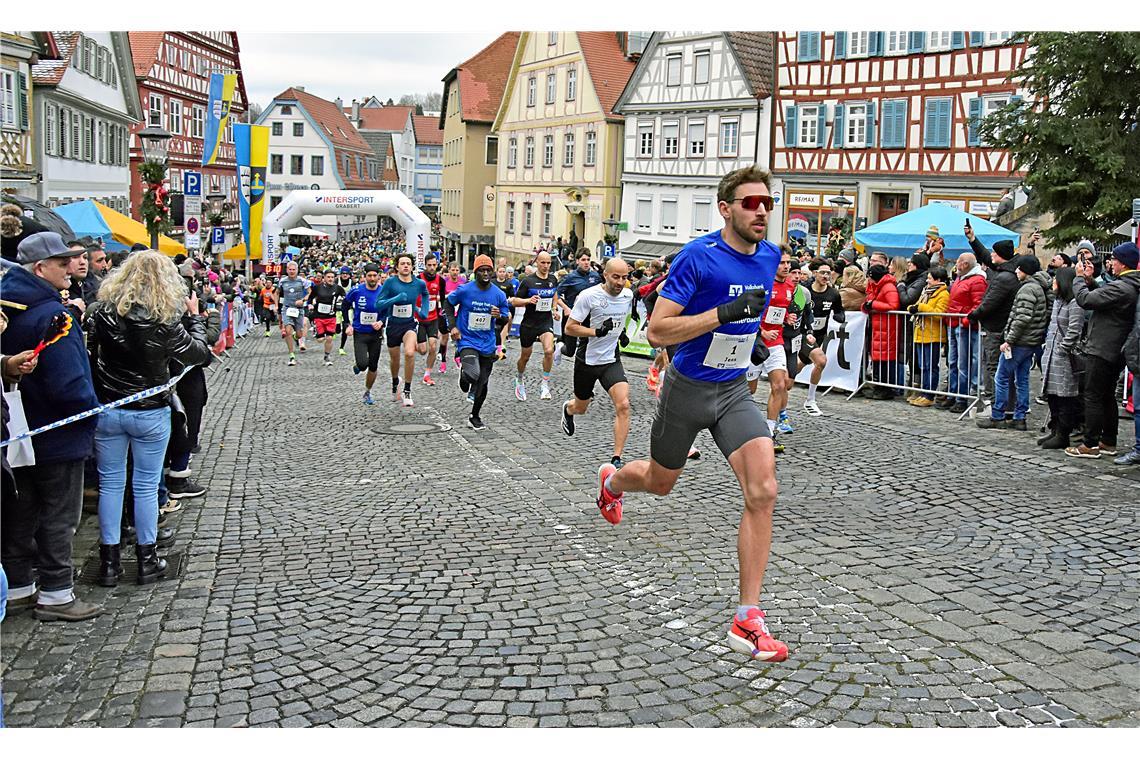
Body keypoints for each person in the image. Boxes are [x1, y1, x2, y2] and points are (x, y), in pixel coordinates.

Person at [598, 166, 788, 662]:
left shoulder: (771, 256)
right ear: (726, 209)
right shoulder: (697, 258)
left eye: (766, 202)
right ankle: (614, 483)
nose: (761, 210)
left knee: (763, 489)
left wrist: (765, 351)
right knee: (661, 484)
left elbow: (757, 320)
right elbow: (658, 332)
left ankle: (748, 618)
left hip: (732, 391)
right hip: (686, 389)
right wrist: (722, 315)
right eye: (750, 203)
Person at [86, 250, 211, 586]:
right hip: (150, 411)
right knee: (144, 486)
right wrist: (196, 318)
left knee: (111, 485)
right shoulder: (165, 322)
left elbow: (89, 355)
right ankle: (147, 557)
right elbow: (201, 355)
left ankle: (110, 561)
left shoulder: (100, 314)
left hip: (109, 409)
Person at [0, 232, 101, 621]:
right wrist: (90, 410)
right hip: (57, 431)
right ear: (40, 268)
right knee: (59, 515)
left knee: (20, 511)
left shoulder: (10, 307)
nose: (71, 270)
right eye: (62, 263)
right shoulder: (53, 315)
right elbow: (70, 383)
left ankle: (19, 587)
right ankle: (57, 594)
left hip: (18, 429)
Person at [1065, 243, 1140, 458]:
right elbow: (1106, 299)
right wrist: (1090, 282)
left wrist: (1079, 279)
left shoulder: (1122, 286)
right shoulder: (1129, 285)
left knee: (1093, 396)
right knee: (1106, 396)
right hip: (1115, 348)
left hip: (1103, 347)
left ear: (1123, 263)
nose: (1110, 263)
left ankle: (1090, 444)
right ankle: (1108, 440)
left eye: (1114, 259)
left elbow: (1086, 300)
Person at [560, 257, 635, 467]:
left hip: (611, 360)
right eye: (616, 277)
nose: (621, 282)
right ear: (605, 275)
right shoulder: (589, 296)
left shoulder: (627, 295)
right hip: (588, 360)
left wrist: (621, 334)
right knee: (581, 407)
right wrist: (596, 332)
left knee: (623, 405)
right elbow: (570, 328)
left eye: (625, 277)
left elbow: (620, 318)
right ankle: (569, 409)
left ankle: (616, 458)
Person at [977, 257, 1050, 431]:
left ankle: (998, 415)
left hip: (1020, 342)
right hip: (1030, 341)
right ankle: (1019, 417)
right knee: (1022, 379)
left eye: (1019, 269)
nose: (1016, 271)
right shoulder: (1037, 287)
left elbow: (1022, 318)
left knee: (1001, 377)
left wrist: (1009, 340)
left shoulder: (1028, 289)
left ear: (1026, 271)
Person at [443, 254, 511, 431]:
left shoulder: (498, 294)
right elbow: (448, 304)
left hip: (487, 342)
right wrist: (452, 327)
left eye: (489, 270)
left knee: (483, 382)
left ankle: (475, 415)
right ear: (476, 272)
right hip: (467, 340)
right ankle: (465, 374)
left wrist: (500, 316)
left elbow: (505, 318)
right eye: (482, 270)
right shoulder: (465, 290)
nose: (486, 273)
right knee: (473, 374)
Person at [966, 229, 1021, 409]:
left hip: (997, 328)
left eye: (994, 253)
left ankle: (996, 404)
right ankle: (1000, 403)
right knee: (996, 366)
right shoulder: (1006, 270)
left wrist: (973, 315)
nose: (991, 255)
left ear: (1001, 256)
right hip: (999, 326)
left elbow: (990, 302)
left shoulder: (1003, 278)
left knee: (993, 366)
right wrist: (973, 239)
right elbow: (984, 255)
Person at [1038, 268, 1085, 449]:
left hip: (1064, 357)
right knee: (1052, 396)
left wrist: (1062, 349)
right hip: (1050, 355)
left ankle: (1063, 433)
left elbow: (1074, 330)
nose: (1053, 283)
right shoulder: (1058, 301)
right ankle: (1055, 430)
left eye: (1056, 280)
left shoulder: (1075, 303)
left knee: (1065, 396)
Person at [377, 253, 430, 407]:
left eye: (408, 263)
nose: (405, 266)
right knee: (395, 359)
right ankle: (395, 381)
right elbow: (378, 304)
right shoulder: (390, 283)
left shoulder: (419, 283)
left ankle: (407, 389)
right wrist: (396, 298)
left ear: (412, 266)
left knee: (409, 353)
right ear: (397, 267)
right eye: (402, 263)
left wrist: (423, 311)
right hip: (393, 325)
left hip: (409, 325)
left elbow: (425, 295)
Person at [511, 251, 562, 401]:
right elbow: (514, 300)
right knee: (525, 357)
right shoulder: (528, 281)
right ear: (537, 263)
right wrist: (528, 301)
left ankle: (544, 384)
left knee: (548, 350)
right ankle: (519, 379)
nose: (546, 266)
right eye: (543, 263)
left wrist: (554, 309)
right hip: (529, 323)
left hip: (545, 322)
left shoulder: (553, 279)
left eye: (548, 263)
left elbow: (554, 294)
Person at [942, 252, 987, 413]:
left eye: (958, 262)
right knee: (952, 361)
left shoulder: (977, 281)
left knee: (963, 362)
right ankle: (952, 394)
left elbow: (978, 304)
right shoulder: (960, 278)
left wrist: (966, 320)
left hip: (964, 325)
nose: (956, 264)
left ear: (965, 264)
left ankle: (961, 396)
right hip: (954, 323)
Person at [802, 257, 844, 415]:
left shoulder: (833, 294)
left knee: (794, 375)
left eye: (829, 273)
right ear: (814, 273)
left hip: (818, 336)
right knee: (821, 361)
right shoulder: (805, 290)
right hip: (803, 335)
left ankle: (809, 399)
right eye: (823, 273)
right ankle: (808, 400)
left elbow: (840, 310)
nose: (826, 276)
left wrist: (840, 316)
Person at [342, 263, 386, 404]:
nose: (372, 278)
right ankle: (358, 365)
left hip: (376, 334)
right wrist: (347, 324)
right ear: (364, 277)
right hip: (360, 333)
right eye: (369, 276)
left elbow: (388, 309)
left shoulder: (384, 291)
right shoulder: (356, 290)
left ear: (378, 277)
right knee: (362, 365)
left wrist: (382, 321)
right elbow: (345, 305)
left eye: (375, 276)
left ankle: (367, 392)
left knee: (373, 366)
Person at [906, 267, 950, 406]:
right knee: (923, 366)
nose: (927, 280)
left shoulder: (943, 295)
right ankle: (923, 392)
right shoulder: (926, 292)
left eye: (930, 278)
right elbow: (916, 305)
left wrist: (921, 308)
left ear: (938, 280)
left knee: (931, 366)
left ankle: (929, 395)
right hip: (921, 333)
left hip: (933, 335)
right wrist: (912, 308)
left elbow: (939, 314)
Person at [862, 253, 900, 399]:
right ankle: (879, 386)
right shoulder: (877, 286)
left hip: (886, 327)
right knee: (877, 358)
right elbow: (870, 300)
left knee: (884, 360)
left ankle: (885, 389)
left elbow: (893, 305)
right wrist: (866, 306)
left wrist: (873, 304)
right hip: (879, 326)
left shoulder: (888, 286)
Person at [556, 250, 602, 360]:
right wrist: (566, 308)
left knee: (585, 346)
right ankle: (559, 346)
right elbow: (555, 295)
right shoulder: (570, 277)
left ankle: (582, 369)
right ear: (577, 261)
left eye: (588, 260)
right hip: (572, 316)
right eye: (583, 260)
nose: (586, 262)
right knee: (570, 351)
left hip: (588, 317)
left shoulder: (595, 276)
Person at [307, 269, 345, 366]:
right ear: (324, 278)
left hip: (331, 317)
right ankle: (317, 332)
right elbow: (310, 298)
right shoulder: (317, 288)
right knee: (320, 340)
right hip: (319, 317)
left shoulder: (338, 288)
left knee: (329, 338)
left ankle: (327, 356)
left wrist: (341, 302)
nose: (330, 279)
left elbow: (345, 297)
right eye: (328, 277)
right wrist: (310, 304)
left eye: (332, 277)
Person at [416, 255, 444, 385]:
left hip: (433, 318)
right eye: (429, 265)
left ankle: (427, 374)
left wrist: (443, 315)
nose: (432, 268)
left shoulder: (440, 280)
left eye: (434, 265)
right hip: (420, 319)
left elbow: (443, 300)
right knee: (423, 350)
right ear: (425, 265)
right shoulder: (418, 279)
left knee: (433, 346)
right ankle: (413, 344)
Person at [277, 261, 311, 365]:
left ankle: (296, 338)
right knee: (287, 330)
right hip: (287, 308)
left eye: (293, 270)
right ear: (287, 270)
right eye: (290, 269)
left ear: (297, 270)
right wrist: (276, 305)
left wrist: (304, 300)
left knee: (299, 334)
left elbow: (309, 292)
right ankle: (291, 355)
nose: (292, 271)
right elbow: (277, 293)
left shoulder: (302, 281)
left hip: (298, 309)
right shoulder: (282, 281)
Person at [438, 261, 467, 373]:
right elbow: (439, 297)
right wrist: (448, 296)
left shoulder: (463, 282)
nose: (455, 273)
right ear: (448, 270)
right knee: (444, 338)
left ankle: (457, 357)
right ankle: (443, 362)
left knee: (458, 336)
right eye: (453, 270)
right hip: (445, 313)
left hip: (458, 313)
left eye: (457, 270)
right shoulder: (444, 282)